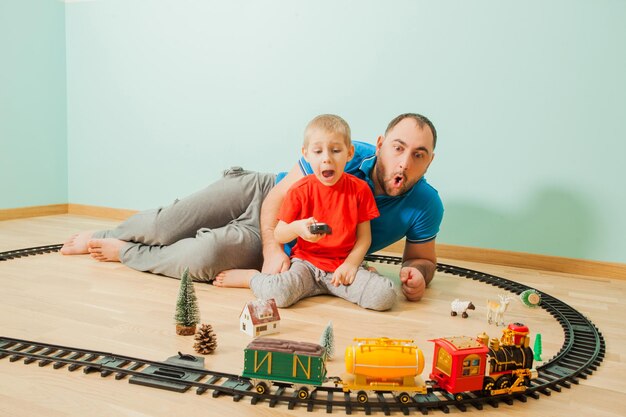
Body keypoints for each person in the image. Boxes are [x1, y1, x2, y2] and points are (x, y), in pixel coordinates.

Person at [61, 112, 442, 302]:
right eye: (398, 147)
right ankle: (104, 234)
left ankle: (127, 252)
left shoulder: (426, 203)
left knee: (203, 255)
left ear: (429, 161)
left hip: (293, 243)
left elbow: (422, 258)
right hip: (262, 195)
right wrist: (273, 248)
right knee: (169, 224)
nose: (404, 162)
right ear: (379, 144)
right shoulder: (342, 153)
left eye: (418, 155)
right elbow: (278, 199)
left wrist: (419, 276)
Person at [214, 114, 397, 311]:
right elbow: (279, 233)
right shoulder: (300, 190)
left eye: (336, 150)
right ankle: (251, 278)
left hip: (342, 268)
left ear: (349, 153)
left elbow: (364, 238)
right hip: (306, 266)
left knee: (384, 296)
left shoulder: (360, 190)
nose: (326, 158)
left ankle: (360, 275)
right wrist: (298, 228)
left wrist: (352, 264)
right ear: (306, 154)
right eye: (318, 151)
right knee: (279, 296)